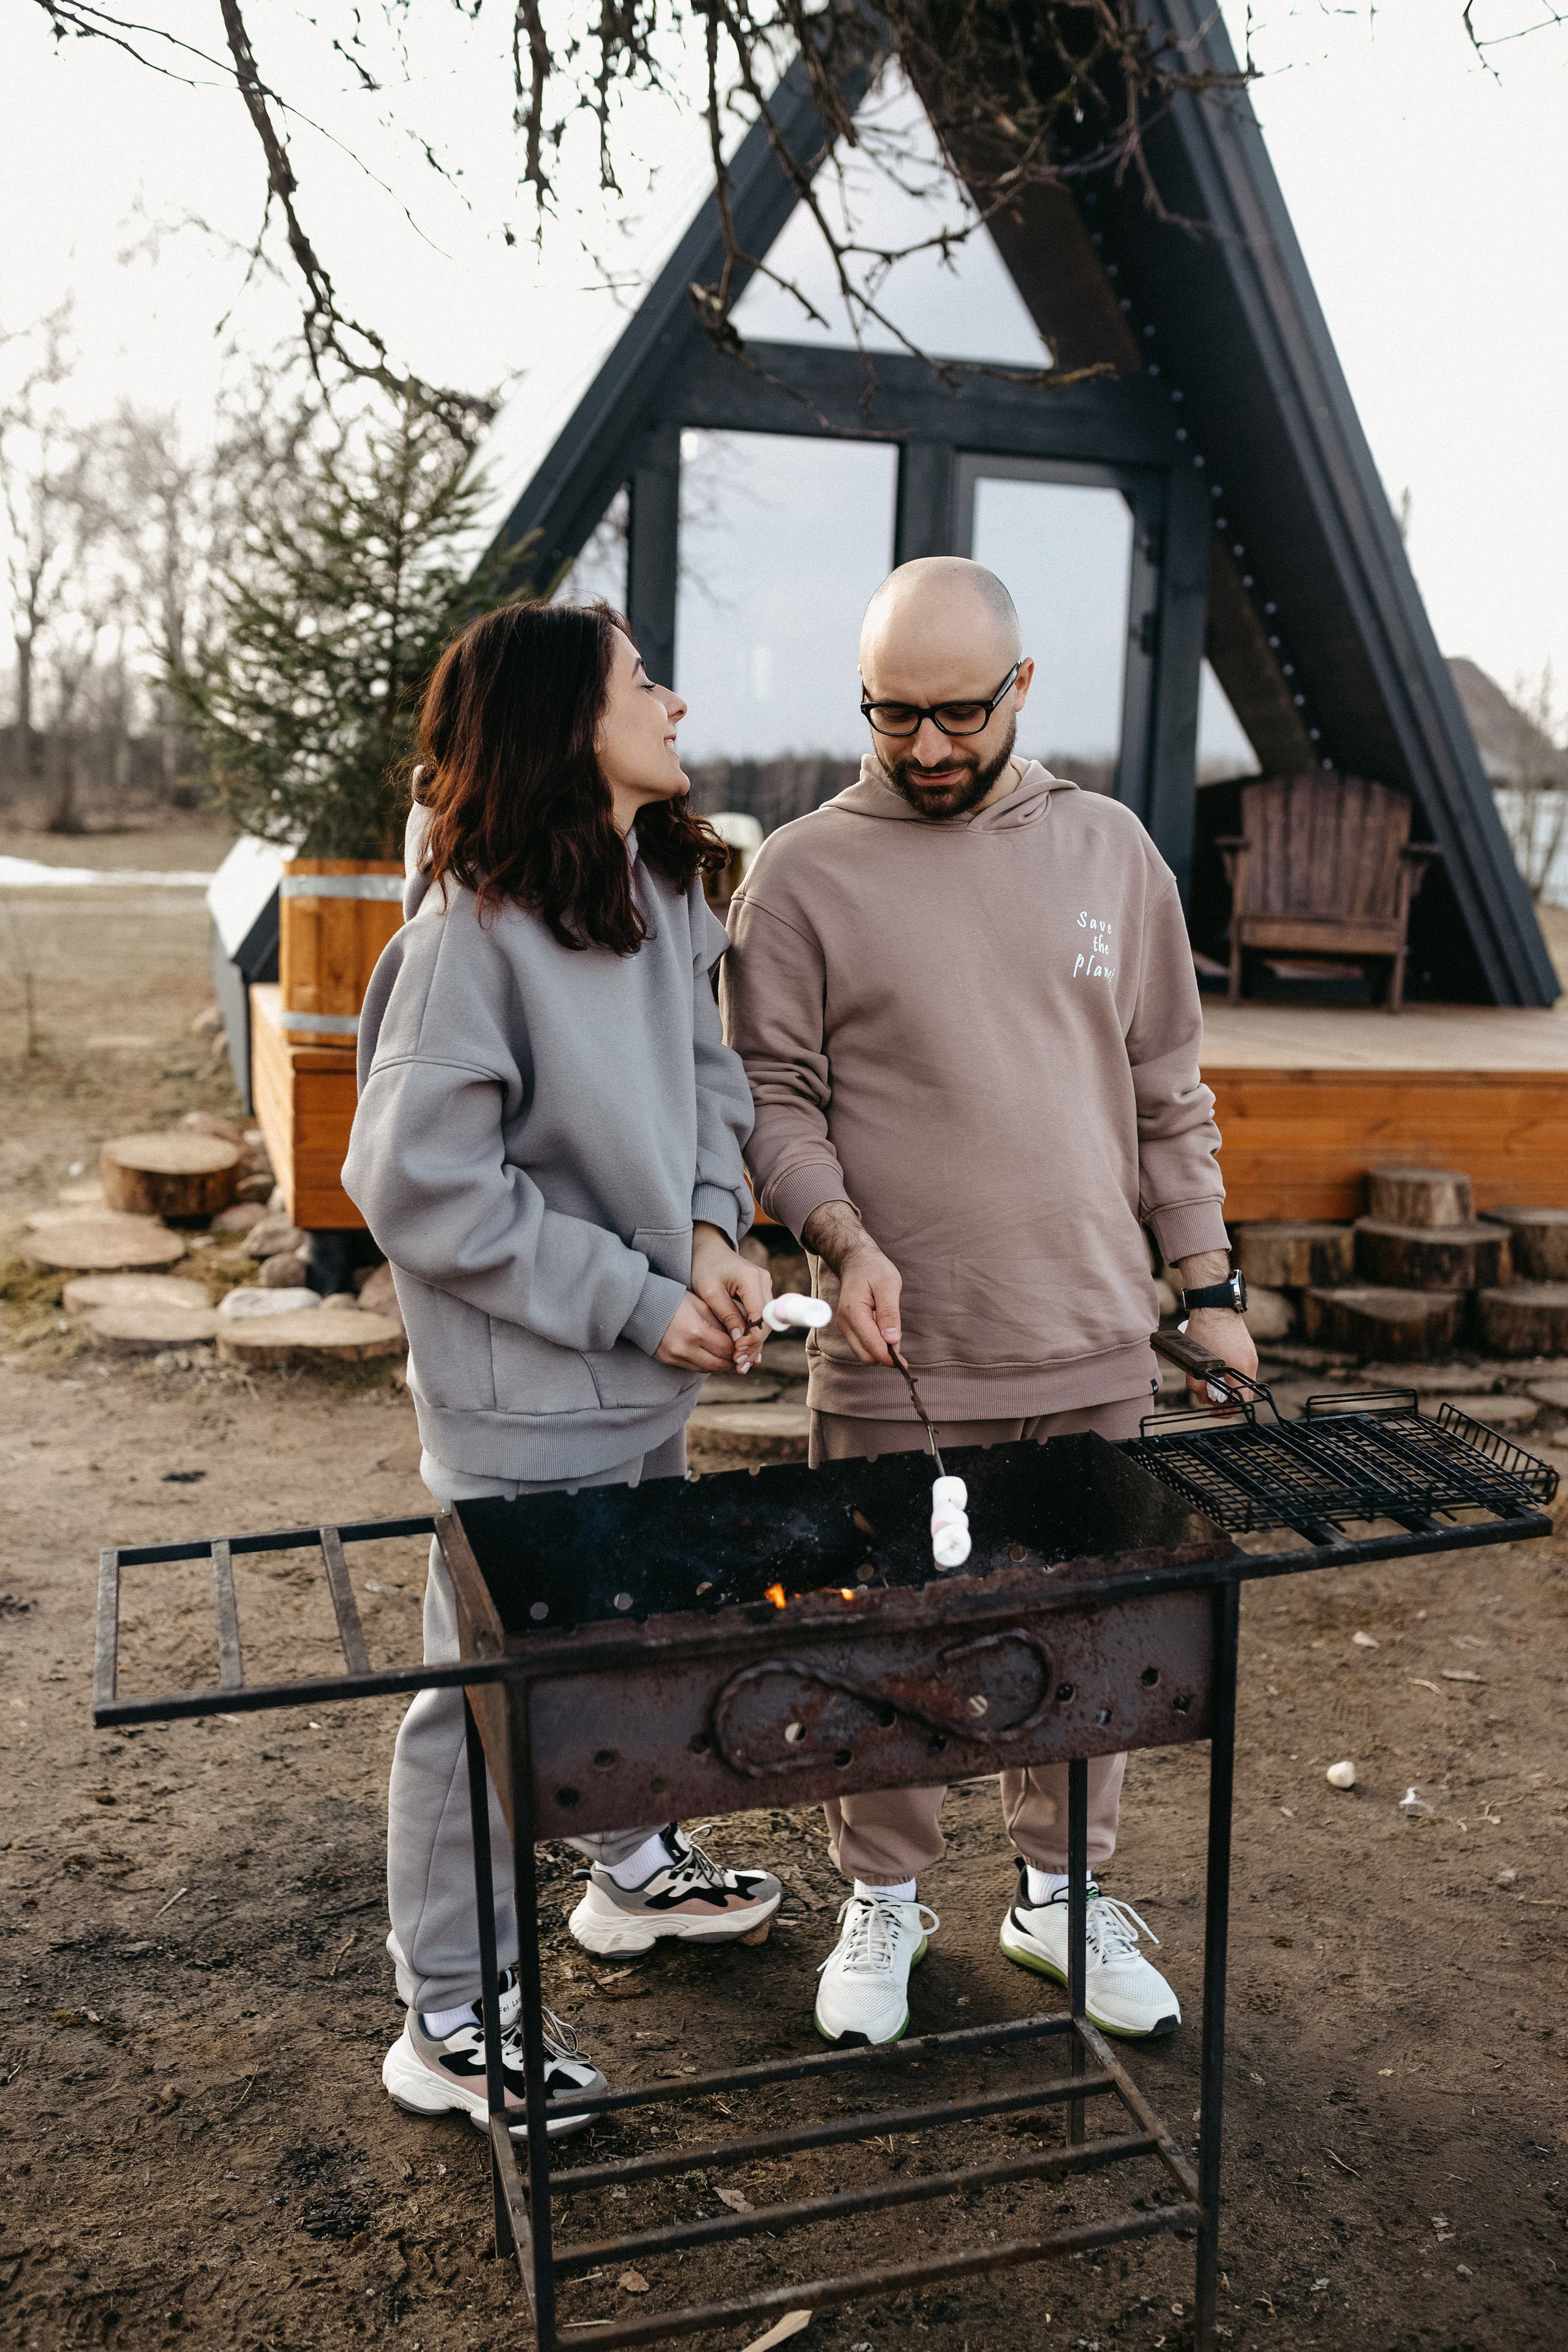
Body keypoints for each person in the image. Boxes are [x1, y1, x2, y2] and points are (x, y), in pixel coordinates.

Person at [720, 556, 1256, 2049]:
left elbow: (1166, 1094)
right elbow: (771, 1097)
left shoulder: (1112, 853)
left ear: (1020, 690)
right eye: (893, 716)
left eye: (957, 713)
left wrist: (1204, 1283)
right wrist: (835, 1233)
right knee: (889, 1639)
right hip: (902, 1359)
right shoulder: (805, 872)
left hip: (1090, 1339)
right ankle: (882, 1898)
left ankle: (1056, 1896)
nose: (927, 748)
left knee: (1083, 1641)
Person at [343, 599, 783, 2138]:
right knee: (483, 1708)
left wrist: (719, 1234)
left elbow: (706, 1088)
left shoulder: (655, 886)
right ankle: (450, 2018)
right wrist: (628, 1297)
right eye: (639, 679)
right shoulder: (465, 934)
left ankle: (631, 1875)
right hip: (526, 1400)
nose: (670, 698)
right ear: (562, 722)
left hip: (641, 1371)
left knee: (626, 1645)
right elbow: (418, 1186)